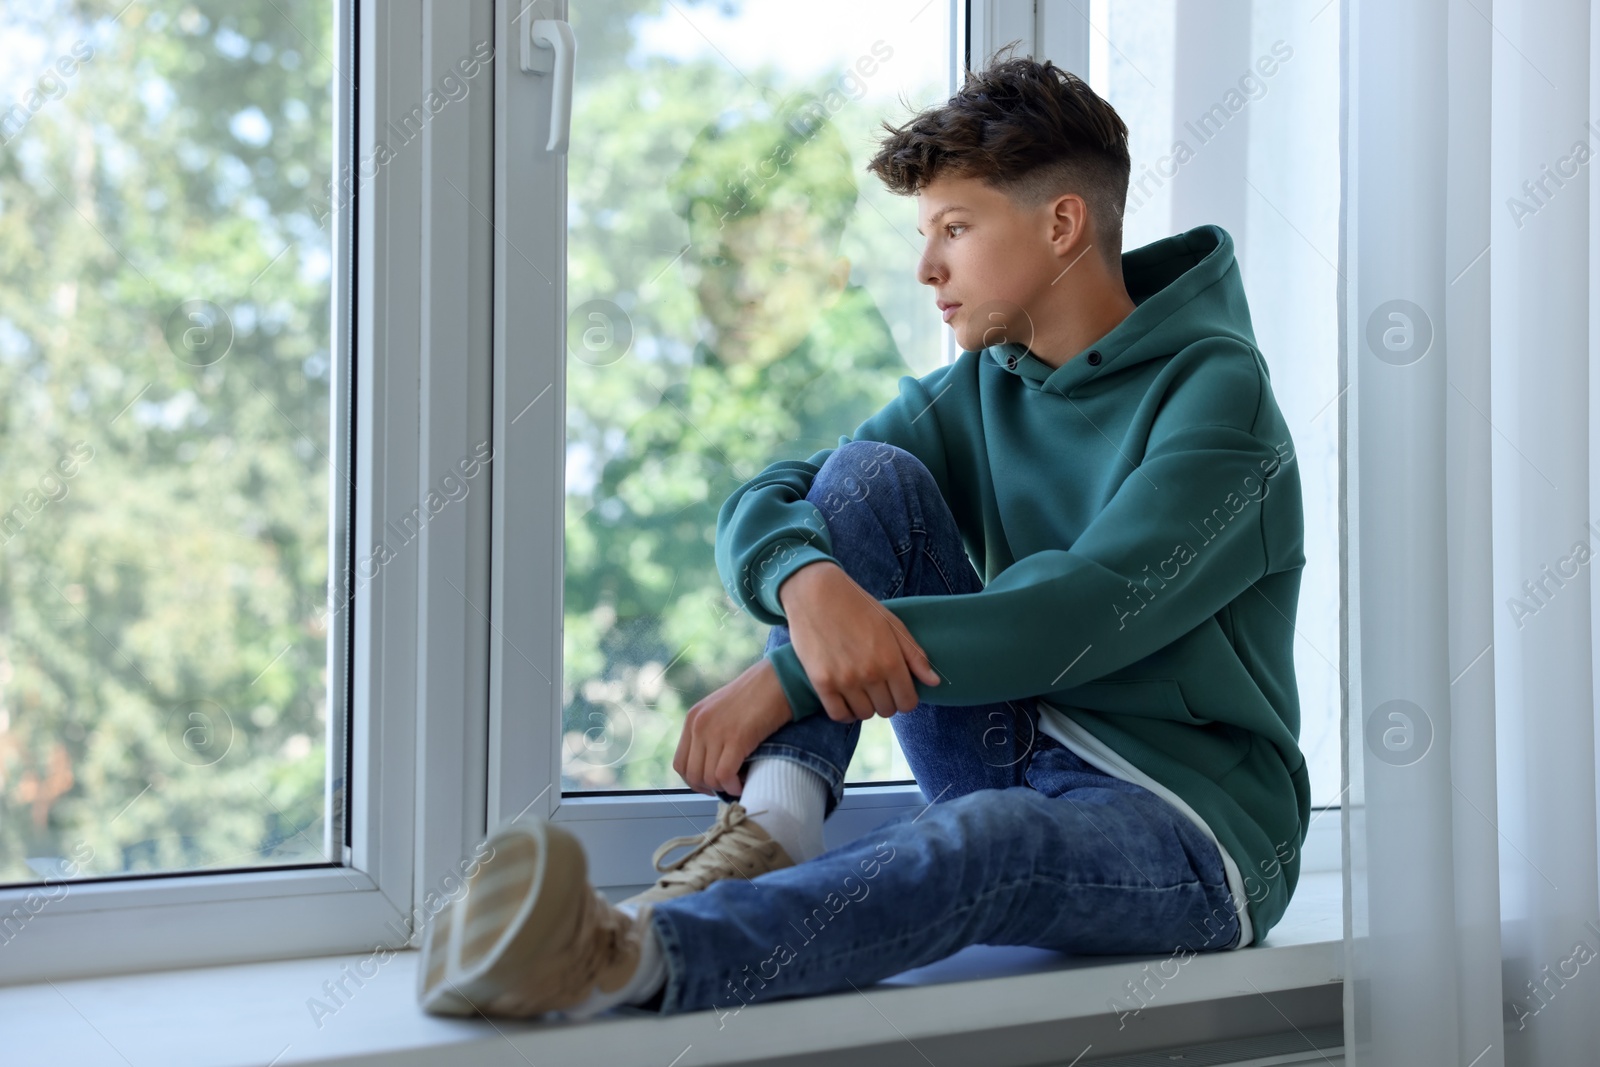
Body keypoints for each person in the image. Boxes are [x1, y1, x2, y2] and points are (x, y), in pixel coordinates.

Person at [418, 49, 1309, 1023]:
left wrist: (786, 677)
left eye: (955, 230)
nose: (928, 267)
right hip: (1013, 741)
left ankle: (617, 956)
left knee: (982, 841)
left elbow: (1079, 612)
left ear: (1062, 224)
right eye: (926, 234)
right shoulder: (983, 383)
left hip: (1188, 831)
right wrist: (805, 581)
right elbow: (774, 493)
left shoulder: (1219, 398)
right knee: (862, 478)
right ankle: (776, 822)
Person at [562, 92, 908, 788]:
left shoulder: (889, 402)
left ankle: (776, 812)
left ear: (833, 278)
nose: (748, 290)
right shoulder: (658, 427)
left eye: (778, 264)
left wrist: (781, 676)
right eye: (724, 260)